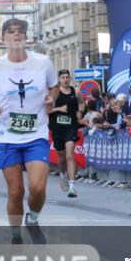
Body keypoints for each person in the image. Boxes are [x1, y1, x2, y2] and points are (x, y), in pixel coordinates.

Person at [0, 18, 58, 244]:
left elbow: (54, 86)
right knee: (16, 191)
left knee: (38, 187)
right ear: (4, 39)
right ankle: (15, 235)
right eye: (10, 32)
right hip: (7, 136)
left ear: (26, 37)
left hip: (37, 134)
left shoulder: (43, 62)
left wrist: (52, 98)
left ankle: (32, 219)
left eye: (20, 31)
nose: (16, 35)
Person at [49, 69, 81, 198]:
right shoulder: (54, 94)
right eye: (63, 77)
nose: (65, 80)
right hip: (57, 128)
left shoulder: (75, 91)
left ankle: (72, 186)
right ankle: (63, 173)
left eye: (67, 77)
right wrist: (59, 109)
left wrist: (80, 112)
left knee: (69, 155)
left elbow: (82, 103)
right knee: (61, 158)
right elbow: (46, 110)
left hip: (71, 126)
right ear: (59, 80)